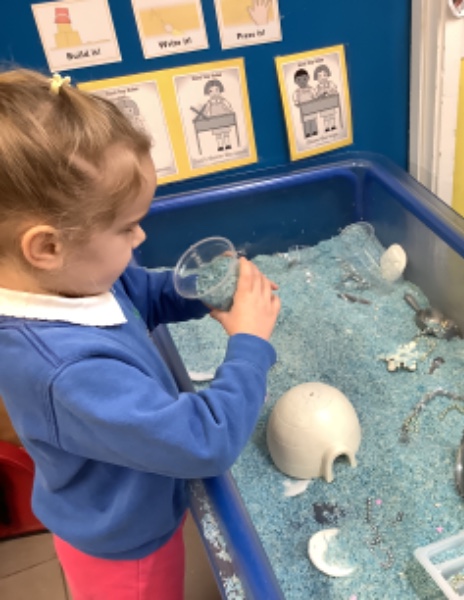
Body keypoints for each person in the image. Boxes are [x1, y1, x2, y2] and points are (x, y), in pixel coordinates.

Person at [0, 69, 281, 599]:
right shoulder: (65, 370)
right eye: (126, 227)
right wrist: (249, 344)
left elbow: (138, 294)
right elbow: (205, 441)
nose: (141, 235)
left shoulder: (73, 280)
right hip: (125, 551)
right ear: (47, 247)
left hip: (130, 503)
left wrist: (199, 289)